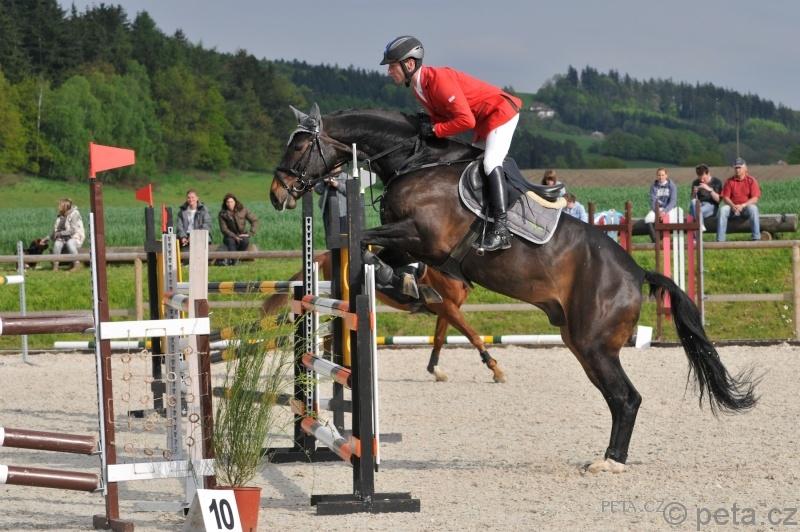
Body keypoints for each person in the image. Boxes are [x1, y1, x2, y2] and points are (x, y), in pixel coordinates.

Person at [381, 35, 522, 252]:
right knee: (470, 166)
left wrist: (435, 129)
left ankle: (501, 229)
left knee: (490, 163)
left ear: (409, 64)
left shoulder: (439, 80)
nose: (389, 71)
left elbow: (466, 121)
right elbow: (445, 117)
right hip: (484, 122)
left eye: (392, 66)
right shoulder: (419, 88)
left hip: (500, 112)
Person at [717, 157, 761, 241]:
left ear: (745, 168)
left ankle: (756, 238)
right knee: (723, 210)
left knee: (753, 208)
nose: (737, 170)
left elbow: (755, 198)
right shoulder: (729, 181)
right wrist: (733, 206)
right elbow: (725, 197)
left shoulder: (751, 180)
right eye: (736, 168)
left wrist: (743, 205)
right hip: (732, 208)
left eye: (739, 167)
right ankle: (720, 240)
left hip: (745, 208)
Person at [43, 198, 85, 271]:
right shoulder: (60, 216)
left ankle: (76, 264)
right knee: (57, 244)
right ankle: (55, 266)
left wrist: (60, 233)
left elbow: (73, 230)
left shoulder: (75, 214)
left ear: (65, 206)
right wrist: (47, 238)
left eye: (60, 205)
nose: (58, 207)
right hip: (62, 238)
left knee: (70, 243)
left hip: (75, 237)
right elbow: (56, 232)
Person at [217, 193, 258, 265]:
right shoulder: (222, 214)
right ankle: (234, 261)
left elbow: (254, 220)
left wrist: (250, 233)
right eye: (228, 202)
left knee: (245, 241)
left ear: (235, 202)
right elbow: (224, 229)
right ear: (225, 203)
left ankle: (236, 259)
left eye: (231, 202)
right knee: (231, 242)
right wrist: (234, 236)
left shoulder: (243, 210)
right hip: (229, 236)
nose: (230, 204)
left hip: (242, 234)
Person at [645, 168, 678, 242]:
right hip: (657, 209)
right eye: (659, 175)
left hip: (668, 208)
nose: (661, 177)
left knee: (668, 220)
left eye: (663, 175)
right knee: (648, 219)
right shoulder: (653, 186)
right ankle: (655, 240)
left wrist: (664, 212)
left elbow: (673, 201)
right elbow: (653, 201)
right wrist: (657, 212)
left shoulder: (672, 186)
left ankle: (667, 239)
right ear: (656, 176)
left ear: (666, 175)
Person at [689, 163, 723, 229]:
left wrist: (709, 189)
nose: (702, 180)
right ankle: (700, 226)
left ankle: (698, 228)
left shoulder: (716, 182)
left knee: (697, 212)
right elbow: (692, 199)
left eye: (704, 178)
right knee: (693, 202)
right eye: (700, 178)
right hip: (699, 204)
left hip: (711, 206)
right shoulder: (695, 182)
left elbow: (718, 200)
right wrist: (694, 193)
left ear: (708, 173)